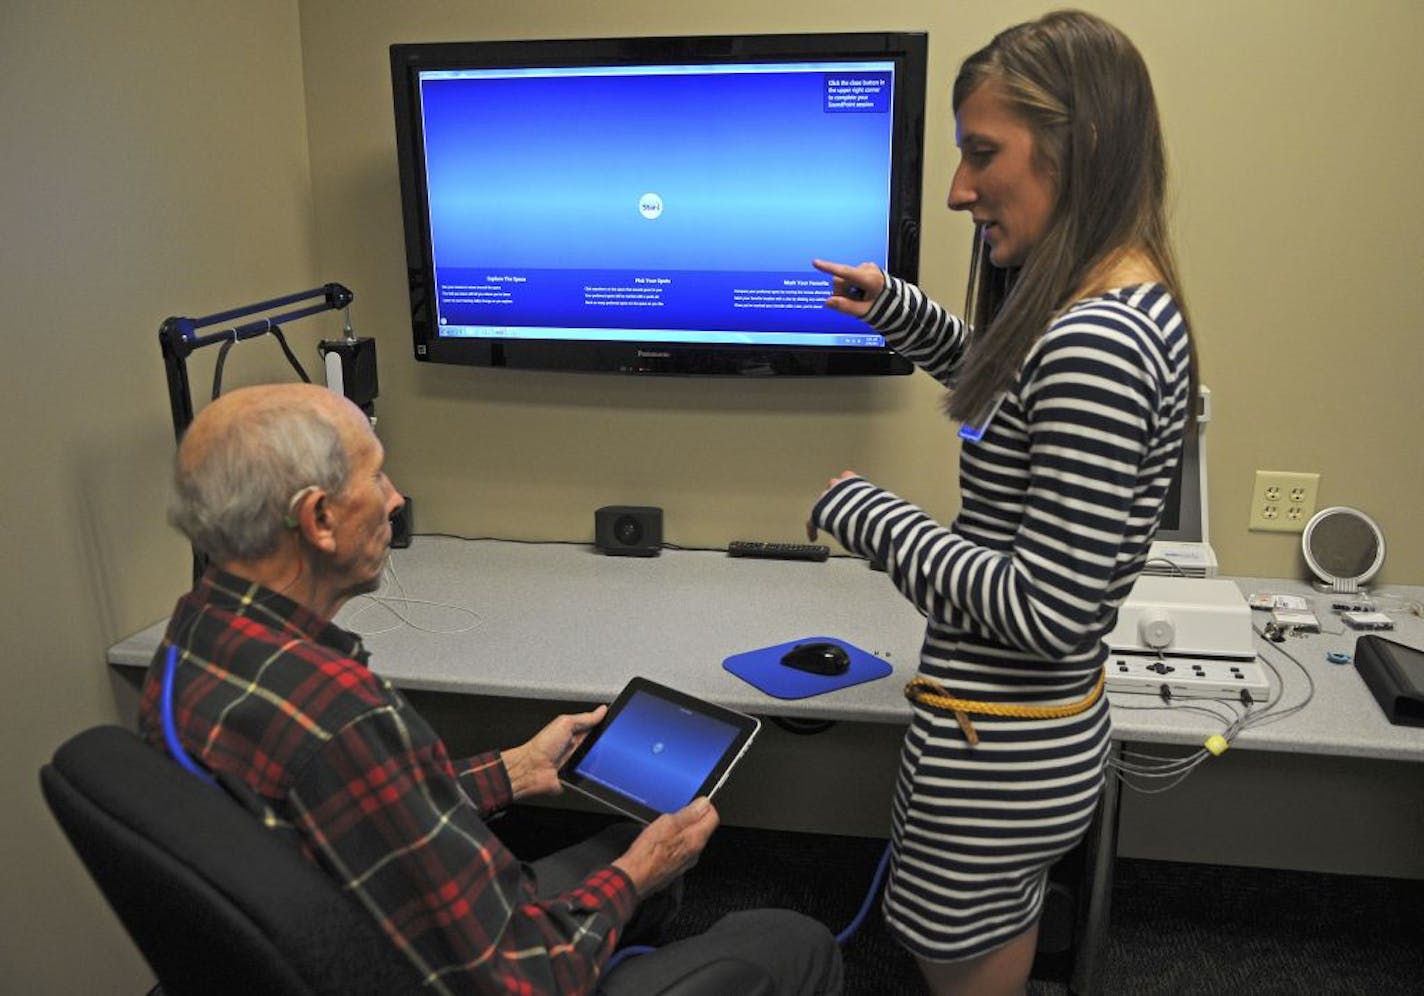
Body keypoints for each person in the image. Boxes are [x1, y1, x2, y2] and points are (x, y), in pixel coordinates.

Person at [138, 382, 842, 995]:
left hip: (336, 941)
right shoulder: (341, 717)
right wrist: (637, 872)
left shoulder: (194, 643)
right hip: (470, 975)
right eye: (377, 478)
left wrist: (513, 772)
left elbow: (358, 813)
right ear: (319, 519)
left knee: (630, 852)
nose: (396, 499)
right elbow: (525, 978)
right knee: (789, 939)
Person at [807, 10, 1197, 996]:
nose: (955, 190)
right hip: (1029, 740)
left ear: (1082, 147)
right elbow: (1013, 388)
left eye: (982, 154)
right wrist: (900, 310)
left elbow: (1044, 609)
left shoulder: (1094, 342)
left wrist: (870, 519)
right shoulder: (1110, 301)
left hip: (997, 753)